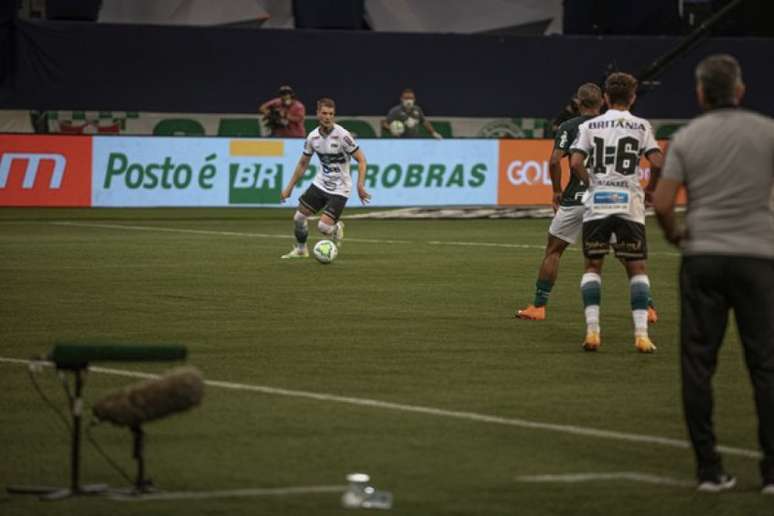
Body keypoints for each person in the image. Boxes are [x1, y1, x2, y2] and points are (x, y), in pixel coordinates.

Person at [653, 54, 774, 493]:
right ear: (740, 91)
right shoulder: (767, 132)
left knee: (698, 363)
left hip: (703, 256)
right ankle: (772, 473)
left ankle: (709, 469)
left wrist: (676, 237)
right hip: (758, 257)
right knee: (765, 364)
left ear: (700, 93)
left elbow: (663, 204)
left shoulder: (687, 137)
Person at [516, 83, 658, 325]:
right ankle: (649, 307)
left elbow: (554, 161)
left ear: (578, 102)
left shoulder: (571, 126)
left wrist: (557, 190)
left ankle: (538, 307)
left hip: (576, 197)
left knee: (554, 250)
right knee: (628, 254)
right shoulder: (614, 126)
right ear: (602, 101)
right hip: (611, 198)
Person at [568, 72, 663, 353]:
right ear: (633, 98)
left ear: (606, 98)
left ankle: (592, 332)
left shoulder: (591, 125)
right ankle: (642, 335)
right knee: (636, 268)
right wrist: (651, 190)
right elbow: (658, 162)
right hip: (629, 202)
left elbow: (574, 163)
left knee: (593, 266)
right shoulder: (641, 125)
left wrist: (592, 182)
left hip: (598, 202)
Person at [279, 98, 370, 259]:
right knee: (299, 217)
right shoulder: (312, 137)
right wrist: (289, 188)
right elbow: (302, 163)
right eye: (324, 113)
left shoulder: (343, 136)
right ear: (317, 114)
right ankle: (301, 249)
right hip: (321, 183)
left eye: (331, 114)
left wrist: (360, 186)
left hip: (340, 188)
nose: (327, 117)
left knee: (323, 227)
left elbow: (361, 160)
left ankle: (335, 228)